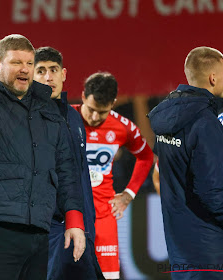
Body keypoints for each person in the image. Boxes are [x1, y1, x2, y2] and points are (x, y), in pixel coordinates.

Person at [0, 26, 86, 280]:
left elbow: (65, 167)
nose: (25, 68)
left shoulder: (48, 109)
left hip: (38, 231)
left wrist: (74, 219)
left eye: (29, 63)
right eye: (16, 62)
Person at [148, 46, 223, 280]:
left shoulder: (167, 120)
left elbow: (161, 176)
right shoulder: (205, 123)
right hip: (212, 253)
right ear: (213, 78)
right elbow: (214, 193)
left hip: (180, 252)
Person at [73, 72, 154, 279]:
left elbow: (145, 157)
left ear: (113, 104)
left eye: (101, 112)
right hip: (67, 216)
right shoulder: (64, 120)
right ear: (82, 96)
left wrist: (128, 194)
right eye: (90, 110)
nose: (94, 118)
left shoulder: (122, 127)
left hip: (103, 216)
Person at [33, 47, 104, 280]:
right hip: (52, 230)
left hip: (82, 225)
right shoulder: (28, 117)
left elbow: (79, 173)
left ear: (64, 74)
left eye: (53, 70)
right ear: (32, 76)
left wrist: (88, 223)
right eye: (40, 71)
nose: (48, 77)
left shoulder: (74, 117)